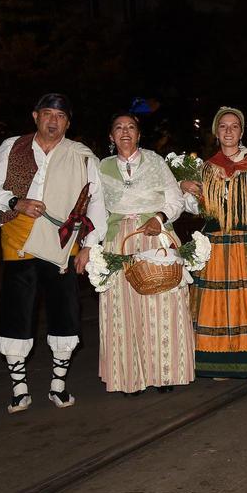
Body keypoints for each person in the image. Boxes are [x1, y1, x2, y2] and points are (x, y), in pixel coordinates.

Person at [0, 93, 106, 413]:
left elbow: (97, 202)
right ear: (35, 116)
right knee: (17, 310)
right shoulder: (12, 147)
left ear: (67, 123)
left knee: (64, 310)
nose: (53, 121)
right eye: (47, 114)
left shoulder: (82, 156)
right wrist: (14, 202)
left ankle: (58, 385)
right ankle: (19, 388)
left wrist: (90, 246)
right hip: (19, 237)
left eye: (60, 116)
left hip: (62, 242)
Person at [180, 107, 247, 381]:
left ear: (241, 131)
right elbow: (196, 208)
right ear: (217, 132)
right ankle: (221, 363)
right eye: (223, 126)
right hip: (215, 243)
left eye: (234, 126)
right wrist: (187, 189)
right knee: (218, 305)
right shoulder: (207, 167)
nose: (228, 131)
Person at [94, 113, 194, 395]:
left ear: (139, 135)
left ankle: (164, 374)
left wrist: (160, 217)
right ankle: (130, 378)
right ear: (111, 137)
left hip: (155, 239)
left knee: (163, 305)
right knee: (122, 309)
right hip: (120, 242)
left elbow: (175, 199)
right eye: (119, 128)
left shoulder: (155, 162)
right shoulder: (102, 168)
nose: (125, 132)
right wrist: (92, 247)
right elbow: (96, 210)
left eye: (131, 127)